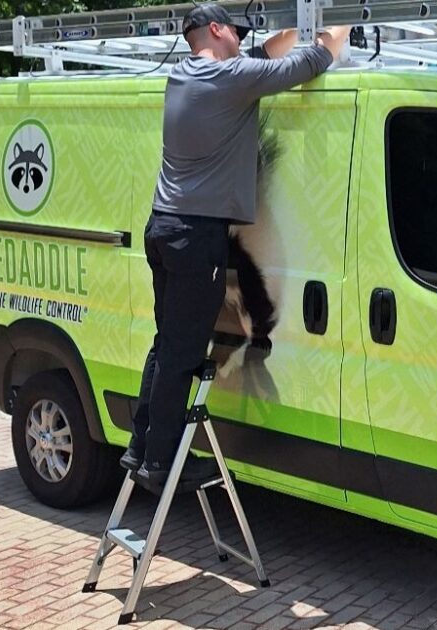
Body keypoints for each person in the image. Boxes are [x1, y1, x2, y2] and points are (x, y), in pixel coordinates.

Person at [121, 3, 350, 488]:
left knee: (166, 345)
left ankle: (139, 447)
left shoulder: (184, 77)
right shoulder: (231, 80)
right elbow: (308, 62)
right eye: (238, 34)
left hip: (163, 227)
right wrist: (340, 26)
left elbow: (261, 58)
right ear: (219, 29)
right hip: (195, 238)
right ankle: (160, 465)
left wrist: (289, 29)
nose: (244, 41)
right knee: (182, 353)